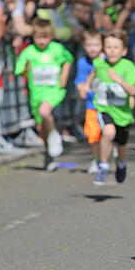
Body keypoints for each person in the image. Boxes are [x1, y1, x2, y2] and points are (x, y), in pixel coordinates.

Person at [14, 18, 74, 168]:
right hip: (36, 93)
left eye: (45, 37)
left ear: (51, 36)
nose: (42, 41)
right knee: (41, 128)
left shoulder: (56, 49)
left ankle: (54, 134)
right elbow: (20, 70)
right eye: (38, 38)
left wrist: (64, 75)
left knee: (45, 111)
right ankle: (49, 152)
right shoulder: (29, 51)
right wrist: (25, 70)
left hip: (53, 90)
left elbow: (68, 59)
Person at [89, 30, 135, 185]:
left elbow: (133, 90)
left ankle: (121, 164)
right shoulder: (99, 63)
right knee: (108, 132)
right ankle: (103, 166)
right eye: (108, 47)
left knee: (121, 145)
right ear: (104, 49)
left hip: (123, 113)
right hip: (105, 108)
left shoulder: (129, 67)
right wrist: (85, 85)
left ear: (124, 51)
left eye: (116, 47)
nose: (112, 50)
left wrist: (119, 80)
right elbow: (93, 73)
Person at [74, 31, 104, 174]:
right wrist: (81, 88)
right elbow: (79, 81)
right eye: (89, 45)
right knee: (93, 135)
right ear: (84, 46)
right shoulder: (82, 62)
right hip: (92, 105)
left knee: (109, 133)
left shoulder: (107, 61)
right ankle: (97, 159)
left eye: (96, 45)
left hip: (108, 105)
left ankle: (110, 154)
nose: (93, 48)